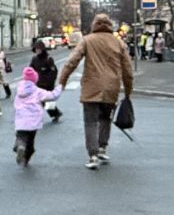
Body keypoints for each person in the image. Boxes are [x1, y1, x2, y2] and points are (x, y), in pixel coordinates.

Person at [57, 14, 134, 170]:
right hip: (111, 87)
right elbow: (128, 70)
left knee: (90, 122)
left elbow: (72, 62)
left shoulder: (87, 40)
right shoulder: (118, 43)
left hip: (91, 87)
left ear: (94, 25)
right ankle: (102, 148)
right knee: (105, 119)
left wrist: (62, 82)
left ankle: (92, 155)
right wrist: (127, 91)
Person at [12, 67, 62, 166]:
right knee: (30, 141)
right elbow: (52, 96)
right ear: (35, 80)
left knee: (21, 137)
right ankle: (26, 158)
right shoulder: (37, 91)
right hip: (34, 121)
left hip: (21, 119)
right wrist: (59, 87)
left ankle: (20, 146)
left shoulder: (19, 90)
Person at [29, 41, 62, 123]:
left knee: (46, 102)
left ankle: (56, 114)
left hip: (47, 84)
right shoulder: (34, 59)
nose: (37, 51)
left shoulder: (48, 59)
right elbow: (30, 70)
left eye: (39, 49)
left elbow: (53, 71)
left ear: (42, 49)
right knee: (37, 101)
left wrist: (50, 82)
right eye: (36, 49)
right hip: (38, 83)